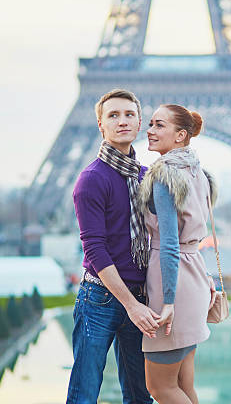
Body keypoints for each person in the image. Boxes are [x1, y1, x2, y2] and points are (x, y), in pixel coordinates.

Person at [66, 89, 159, 404]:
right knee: (84, 394)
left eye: (129, 114)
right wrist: (131, 306)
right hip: (100, 300)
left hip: (141, 296)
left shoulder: (146, 177)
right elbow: (95, 250)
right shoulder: (91, 179)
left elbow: (166, 240)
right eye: (113, 115)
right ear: (100, 125)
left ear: (139, 123)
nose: (122, 121)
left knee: (139, 396)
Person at [137, 104, 218, 403]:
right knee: (184, 386)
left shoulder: (164, 175)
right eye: (151, 124)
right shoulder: (198, 172)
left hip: (172, 287)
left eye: (160, 125)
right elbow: (192, 238)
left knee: (161, 388)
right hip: (194, 278)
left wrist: (167, 302)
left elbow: (170, 244)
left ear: (180, 135)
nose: (150, 130)